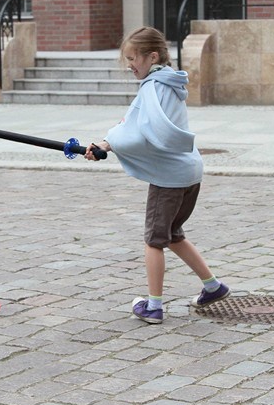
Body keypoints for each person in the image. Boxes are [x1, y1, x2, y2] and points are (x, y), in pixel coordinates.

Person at [85, 26, 229, 324]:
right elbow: (139, 127)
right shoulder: (170, 82)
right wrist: (108, 143)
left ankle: (153, 306)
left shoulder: (152, 87)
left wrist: (107, 144)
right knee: (173, 235)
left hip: (170, 179)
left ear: (151, 56)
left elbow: (143, 134)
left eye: (132, 57)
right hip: (190, 172)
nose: (129, 64)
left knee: (154, 240)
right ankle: (213, 287)